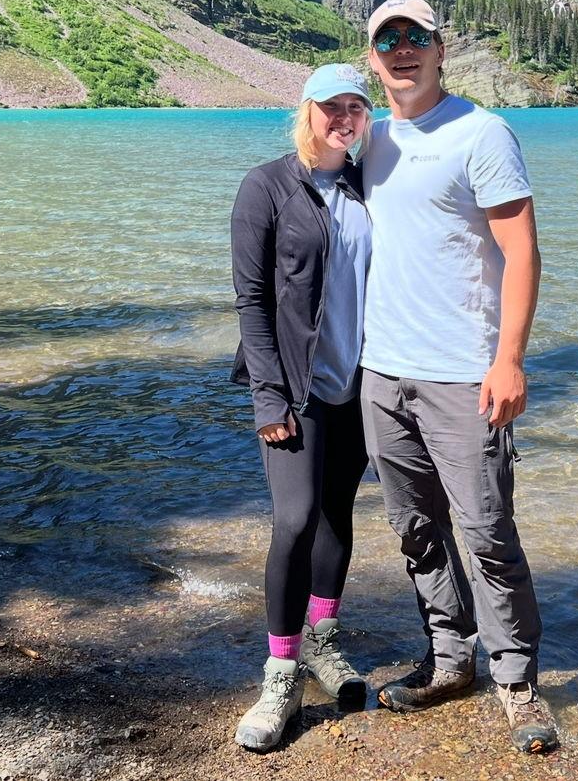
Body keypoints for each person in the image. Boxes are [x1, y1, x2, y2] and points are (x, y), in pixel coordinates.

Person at [358, 0, 559, 754]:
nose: (402, 50)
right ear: (373, 59)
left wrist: (508, 358)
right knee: (414, 531)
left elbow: (522, 252)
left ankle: (517, 683)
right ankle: (450, 662)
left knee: (488, 534)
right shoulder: (370, 139)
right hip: (383, 374)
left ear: (442, 50)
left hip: (462, 376)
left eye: (416, 37)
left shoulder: (482, 133)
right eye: (388, 40)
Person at [229, 63, 374, 752]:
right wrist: (268, 396)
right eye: (331, 107)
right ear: (306, 111)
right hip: (296, 387)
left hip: (359, 384)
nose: (343, 118)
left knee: (337, 514)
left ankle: (322, 636)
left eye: (356, 107)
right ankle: (281, 671)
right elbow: (251, 303)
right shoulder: (267, 186)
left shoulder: (367, 183)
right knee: (294, 518)